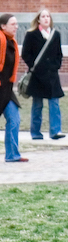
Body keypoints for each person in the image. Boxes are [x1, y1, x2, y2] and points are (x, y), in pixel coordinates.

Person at [21, 7, 65, 141]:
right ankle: (36, 133)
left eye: (48, 16)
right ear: (38, 20)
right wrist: (34, 66)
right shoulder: (31, 34)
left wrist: (56, 66)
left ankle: (55, 131)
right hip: (37, 76)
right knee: (37, 104)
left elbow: (59, 53)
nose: (46, 18)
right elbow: (25, 54)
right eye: (43, 16)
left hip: (52, 75)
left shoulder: (55, 34)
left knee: (54, 103)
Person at [0, 13, 28, 162]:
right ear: (3, 26)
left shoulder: (12, 42)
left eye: (17, 24)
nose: (16, 27)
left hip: (6, 89)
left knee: (14, 118)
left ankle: (12, 155)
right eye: (13, 24)